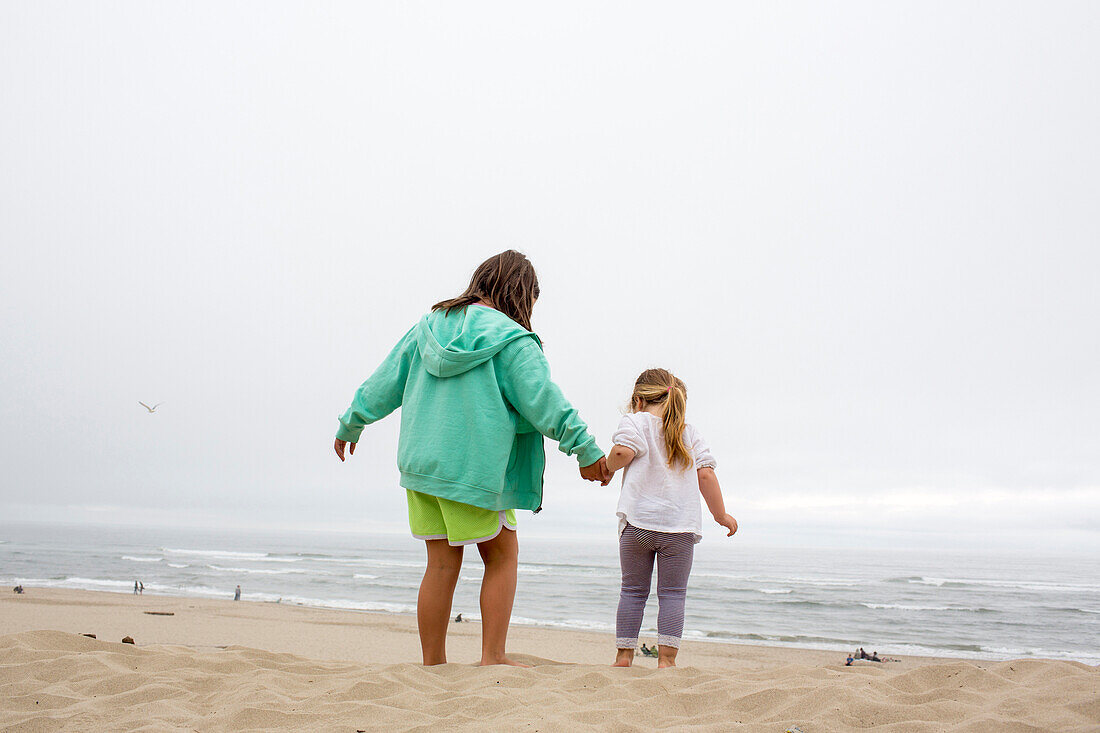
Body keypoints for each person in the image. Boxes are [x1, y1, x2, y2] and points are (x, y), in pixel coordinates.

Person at [334, 251, 610, 667]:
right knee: (502, 556)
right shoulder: (512, 341)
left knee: (441, 564)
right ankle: (492, 657)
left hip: (421, 468)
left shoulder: (427, 328)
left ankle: (433, 664)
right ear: (521, 295)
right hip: (475, 472)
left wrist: (352, 421)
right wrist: (585, 451)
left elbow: (384, 380)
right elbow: (545, 402)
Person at [605, 369, 737, 669]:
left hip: (637, 524)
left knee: (632, 592)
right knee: (673, 595)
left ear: (637, 400)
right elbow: (705, 474)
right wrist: (720, 514)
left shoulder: (635, 422)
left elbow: (622, 451)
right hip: (679, 530)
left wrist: (608, 469)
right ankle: (666, 661)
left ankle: (624, 657)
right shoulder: (690, 433)